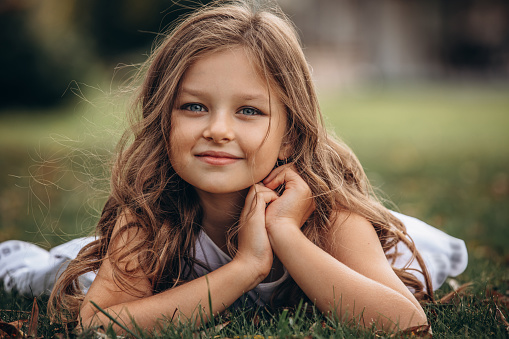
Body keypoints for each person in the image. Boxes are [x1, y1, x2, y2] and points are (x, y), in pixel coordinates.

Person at [0, 0, 467, 333]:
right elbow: (99, 324)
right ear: (164, 121)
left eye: (249, 111)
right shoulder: (152, 210)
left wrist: (283, 232)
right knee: (57, 275)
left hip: (330, 242)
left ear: (290, 137)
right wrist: (246, 267)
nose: (218, 130)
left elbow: (407, 323)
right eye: (194, 107)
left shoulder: (328, 213)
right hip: (129, 257)